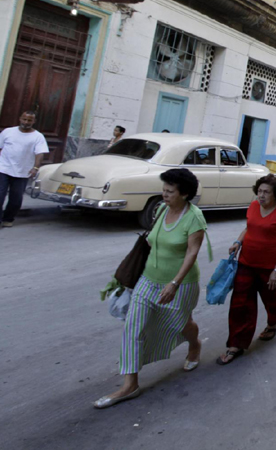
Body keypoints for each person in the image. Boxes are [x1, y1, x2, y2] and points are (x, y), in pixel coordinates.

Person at [94, 168, 210, 409]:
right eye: (163, 190)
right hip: (148, 279)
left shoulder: (194, 217)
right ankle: (130, 385)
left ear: (185, 194)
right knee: (133, 327)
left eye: (170, 191)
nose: (164, 194)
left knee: (181, 324)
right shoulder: (160, 210)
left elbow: (192, 252)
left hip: (181, 283)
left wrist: (174, 283)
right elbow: (150, 240)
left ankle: (194, 344)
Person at [218, 175, 276, 365]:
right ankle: (236, 344)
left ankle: (273, 323)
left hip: (269, 268)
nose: (261, 195)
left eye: (266, 192)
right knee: (240, 304)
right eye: (259, 191)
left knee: (273, 300)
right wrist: (238, 241)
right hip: (246, 263)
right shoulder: (253, 206)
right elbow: (249, 227)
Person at [0, 110, 48, 233]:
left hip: (23, 171)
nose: (26, 122)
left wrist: (35, 168)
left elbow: (40, 153)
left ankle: (8, 218)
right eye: (24, 119)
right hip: (3, 168)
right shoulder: (8, 132)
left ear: (34, 121)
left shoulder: (38, 136)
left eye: (29, 120)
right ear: (20, 119)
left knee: (16, 198)